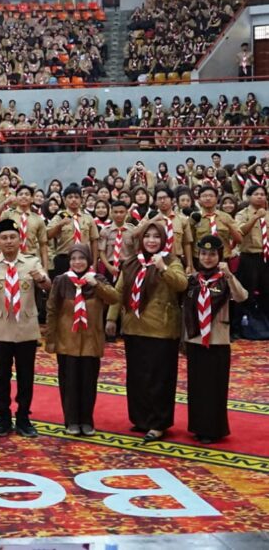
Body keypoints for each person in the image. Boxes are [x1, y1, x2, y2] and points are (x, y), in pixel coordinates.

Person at [106, 221, 188, 442]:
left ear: (163, 239)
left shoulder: (172, 261)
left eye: (156, 237)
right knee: (137, 377)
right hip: (134, 327)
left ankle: (158, 422)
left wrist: (162, 268)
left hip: (161, 330)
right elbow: (119, 291)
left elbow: (181, 285)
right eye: (147, 236)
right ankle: (141, 419)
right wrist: (111, 317)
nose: (151, 241)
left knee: (159, 378)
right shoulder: (131, 262)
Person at [0, 219, 51, 437]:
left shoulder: (31, 262)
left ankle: (23, 417)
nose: (9, 241)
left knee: (25, 375)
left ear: (20, 239)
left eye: (13, 237)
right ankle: (3, 417)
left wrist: (41, 280)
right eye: (4, 238)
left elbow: (48, 286)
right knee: (1, 375)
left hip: (26, 328)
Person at [44, 243, 120, 435]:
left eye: (82, 259)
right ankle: (71, 421)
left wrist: (97, 285)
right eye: (74, 259)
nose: (78, 263)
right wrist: (50, 339)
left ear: (88, 261)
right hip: (66, 341)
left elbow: (114, 298)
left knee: (88, 382)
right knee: (69, 383)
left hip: (90, 341)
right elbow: (52, 310)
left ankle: (87, 420)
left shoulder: (98, 279)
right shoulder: (61, 280)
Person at [182, 236, 247, 443]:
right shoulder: (193, 279)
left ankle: (214, 429)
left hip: (217, 339)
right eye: (203, 254)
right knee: (197, 386)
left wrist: (229, 276)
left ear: (219, 256)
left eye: (212, 254)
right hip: (195, 339)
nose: (207, 258)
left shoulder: (224, 278)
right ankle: (197, 426)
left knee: (215, 386)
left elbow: (241, 297)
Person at [233, 184, 268, 338]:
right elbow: (240, 233)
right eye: (256, 194)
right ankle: (239, 327)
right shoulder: (242, 214)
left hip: (266, 257)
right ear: (248, 197)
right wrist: (255, 217)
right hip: (249, 257)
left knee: (267, 293)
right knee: (246, 293)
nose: (260, 196)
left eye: (262, 194)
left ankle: (265, 325)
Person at [47, 184, 99, 275]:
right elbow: (47, 235)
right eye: (70, 197)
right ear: (64, 200)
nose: (73, 200)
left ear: (81, 200)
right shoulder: (59, 217)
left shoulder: (88, 218)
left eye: (76, 197)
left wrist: (94, 263)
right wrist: (59, 225)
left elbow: (94, 241)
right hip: (64, 259)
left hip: (84, 259)